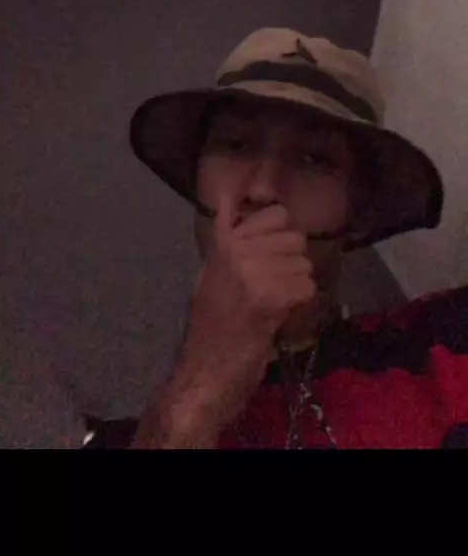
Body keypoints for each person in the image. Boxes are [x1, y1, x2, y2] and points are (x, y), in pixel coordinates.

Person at [82, 28, 468, 449]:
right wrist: (196, 396)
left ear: (357, 215)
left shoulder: (441, 350)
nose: (263, 190)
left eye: (314, 159)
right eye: (236, 145)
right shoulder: (135, 438)